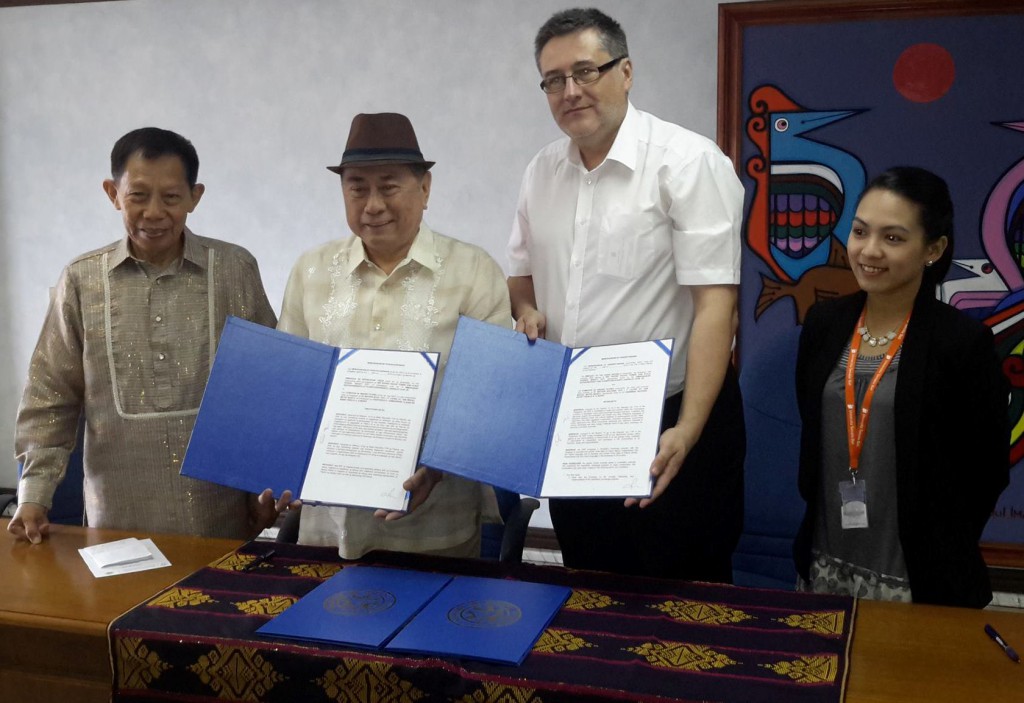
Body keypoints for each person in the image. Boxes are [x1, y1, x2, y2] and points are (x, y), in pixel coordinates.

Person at [507, 8, 746, 581]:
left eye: (586, 71)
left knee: (687, 607)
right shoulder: (541, 172)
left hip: (675, 416)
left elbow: (717, 306)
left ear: (626, 72)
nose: (570, 91)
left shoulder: (687, 163)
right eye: (553, 80)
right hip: (581, 422)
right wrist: (526, 310)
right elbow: (520, 274)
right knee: (590, 591)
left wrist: (686, 431)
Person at [9, 127, 286, 544]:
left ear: (195, 196)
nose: (154, 212)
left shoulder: (234, 269)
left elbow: (266, 388)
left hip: (220, 519)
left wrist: (263, 486)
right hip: (116, 522)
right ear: (113, 193)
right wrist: (34, 496)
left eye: (171, 197)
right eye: (138, 195)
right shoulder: (82, 280)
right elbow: (50, 396)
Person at [278, 112, 511, 559]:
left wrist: (438, 469)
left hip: (434, 520)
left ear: (424, 189)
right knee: (319, 626)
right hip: (327, 520)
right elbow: (289, 384)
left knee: (433, 626)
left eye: (389, 186)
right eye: (357, 188)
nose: (373, 204)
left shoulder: (472, 270)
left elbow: (492, 393)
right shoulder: (311, 270)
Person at [794, 166, 1010, 607]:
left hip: (918, 581)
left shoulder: (962, 344)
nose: (869, 251)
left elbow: (987, 470)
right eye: (860, 232)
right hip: (824, 564)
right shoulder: (824, 325)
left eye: (893, 238)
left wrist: (942, 548)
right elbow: (814, 431)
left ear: (933, 248)